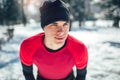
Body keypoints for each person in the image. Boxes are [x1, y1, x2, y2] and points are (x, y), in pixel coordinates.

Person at [19, 0, 88, 80]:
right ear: (44, 27)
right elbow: (28, 74)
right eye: (54, 25)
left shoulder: (79, 48)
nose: (61, 32)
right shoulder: (28, 46)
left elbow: (81, 76)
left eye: (65, 24)